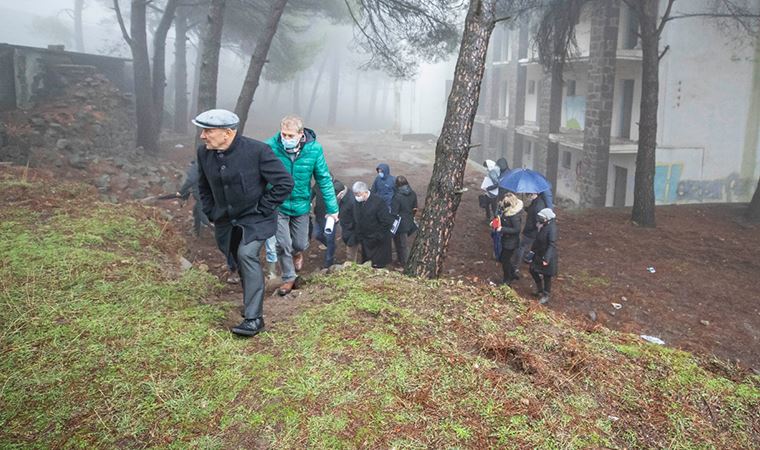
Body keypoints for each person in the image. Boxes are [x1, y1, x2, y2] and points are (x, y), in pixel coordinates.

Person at [194, 109, 293, 337]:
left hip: (256, 219)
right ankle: (251, 300)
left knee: (247, 254)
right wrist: (210, 211)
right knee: (235, 258)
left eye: (208, 130)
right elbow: (203, 187)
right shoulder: (204, 154)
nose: (203, 136)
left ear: (227, 133)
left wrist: (263, 208)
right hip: (225, 221)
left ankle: (253, 318)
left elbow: (284, 183)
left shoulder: (258, 151)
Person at [266, 115, 338, 296]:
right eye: (284, 134)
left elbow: (323, 178)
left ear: (300, 134)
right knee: (282, 244)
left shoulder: (314, 149)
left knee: (298, 243)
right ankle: (288, 277)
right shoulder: (270, 147)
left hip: (301, 204)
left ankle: (298, 253)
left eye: (291, 135)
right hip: (277, 203)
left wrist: (333, 209)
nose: (286, 139)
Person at [352, 181, 394, 268]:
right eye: (355, 194)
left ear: (365, 192)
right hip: (365, 239)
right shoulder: (358, 202)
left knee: (377, 265)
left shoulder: (378, 202)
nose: (357, 197)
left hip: (378, 242)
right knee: (367, 262)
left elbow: (386, 222)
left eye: (358, 194)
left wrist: (377, 236)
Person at [511, 191, 547, 276]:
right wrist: (526, 208)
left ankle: (515, 266)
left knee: (521, 248)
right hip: (531, 230)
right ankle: (527, 259)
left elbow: (537, 219)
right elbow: (532, 211)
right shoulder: (537, 202)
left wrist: (532, 228)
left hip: (531, 231)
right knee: (527, 247)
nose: (528, 197)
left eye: (529, 195)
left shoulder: (538, 205)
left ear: (533, 194)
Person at [313, 178, 346, 268]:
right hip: (319, 216)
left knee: (329, 239)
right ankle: (330, 247)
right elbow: (311, 194)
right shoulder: (317, 185)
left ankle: (329, 262)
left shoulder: (336, 185)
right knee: (317, 234)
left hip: (330, 218)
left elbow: (341, 187)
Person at [529, 208, 558, 305]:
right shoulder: (543, 225)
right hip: (539, 253)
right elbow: (537, 240)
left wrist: (547, 258)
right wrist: (532, 251)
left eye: (542, 217)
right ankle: (539, 289)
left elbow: (551, 244)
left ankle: (546, 295)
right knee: (532, 269)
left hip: (547, 255)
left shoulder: (552, 228)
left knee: (547, 276)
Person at [176, 160, 211, 236]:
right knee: (196, 211)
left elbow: (191, 180)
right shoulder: (205, 165)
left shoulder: (194, 167)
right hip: (208, 193)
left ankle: (216, 230)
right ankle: (196, 231)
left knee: (203, 216)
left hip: (201, 195)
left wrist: (181, 191)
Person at [390, 175, 418, 266]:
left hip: (400, 224)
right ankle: (401, 261)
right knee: (403, 244)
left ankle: (404, 263)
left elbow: (394, 212)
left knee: (402, 245)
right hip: (409, 222)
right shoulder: (413, 193)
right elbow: (415, 208)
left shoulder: (397, 197)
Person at [497, 193, 523, 285]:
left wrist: (502, 229)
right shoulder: (508, 210)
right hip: (507, 240)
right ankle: (512, 273)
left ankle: (507, 279)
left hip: (511, 242)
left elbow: (517, 229)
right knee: (504, 259)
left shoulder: (514, 216)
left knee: (505, 260)